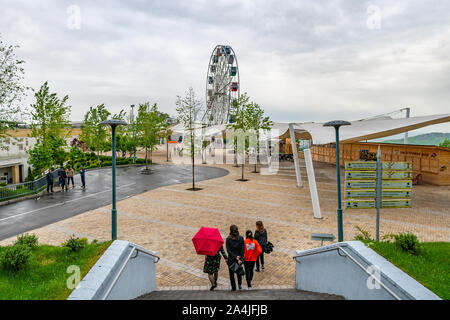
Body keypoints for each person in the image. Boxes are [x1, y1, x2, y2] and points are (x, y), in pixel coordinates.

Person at [226, 224, 245, 291]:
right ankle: (239, 285)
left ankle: (233, 287)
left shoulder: (228, 239)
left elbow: (228, 251)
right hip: (239, 260)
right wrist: (239, 258)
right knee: (238, 272)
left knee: (231, 275)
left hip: (231, 259)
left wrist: (235, 257)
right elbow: (243, 250)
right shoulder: (241, 238)